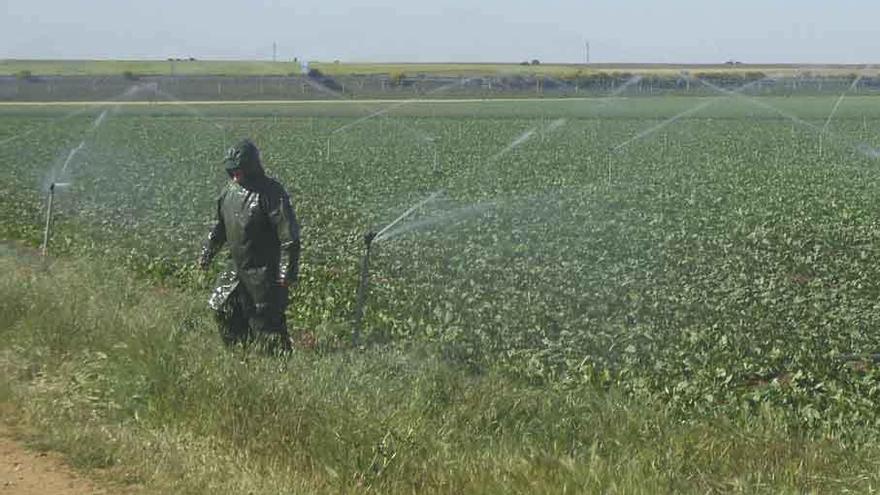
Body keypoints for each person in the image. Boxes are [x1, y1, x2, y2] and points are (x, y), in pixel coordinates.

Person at [198, 139, 301, 353]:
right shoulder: (228, 192)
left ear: (252, 167)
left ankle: (277, 367)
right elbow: (219, 227)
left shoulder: (271, 192)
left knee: (266, 323)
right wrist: (208, 252)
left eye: (240, 170)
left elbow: (289, 235)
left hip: (263, 271)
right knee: (221, 308)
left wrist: (286, 273)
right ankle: (241, 353)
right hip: (235, 267)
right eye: (233, 171)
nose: (236, 176)